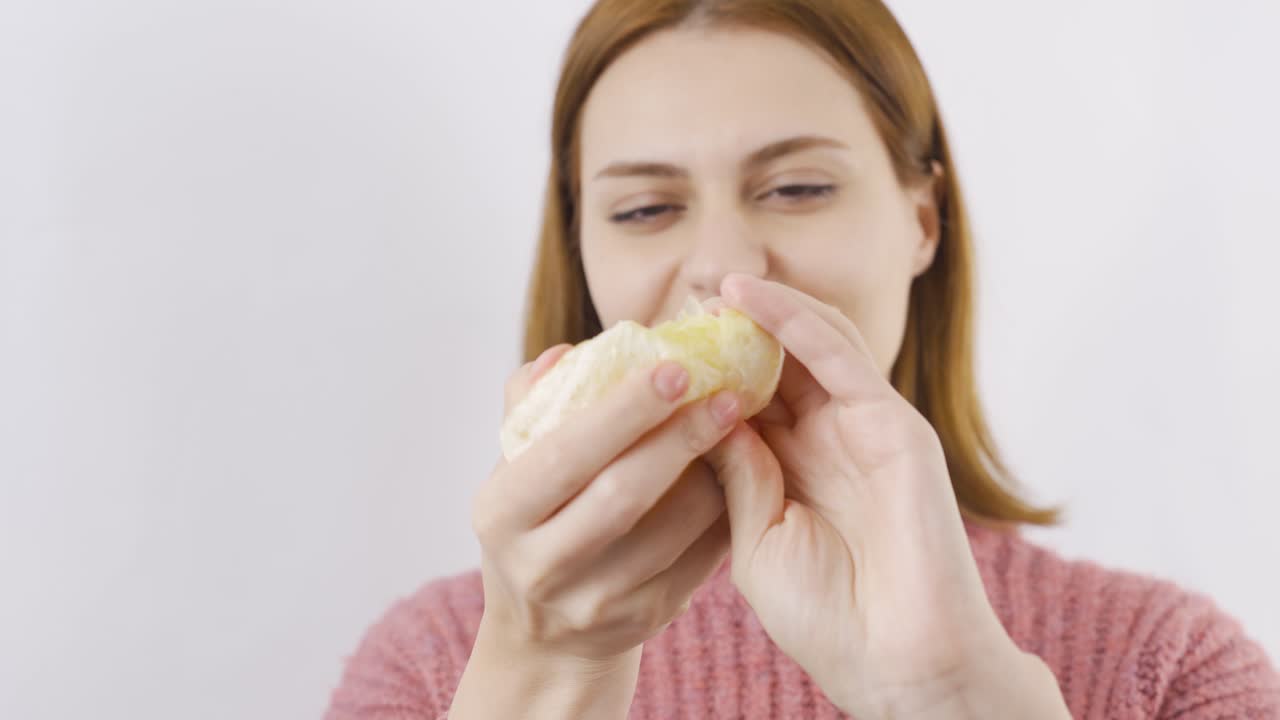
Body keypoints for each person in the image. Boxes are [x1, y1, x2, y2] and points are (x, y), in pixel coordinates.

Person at [325, 1, 1280, 717]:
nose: (724, 266)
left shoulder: (1166, 669)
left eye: (796, 187)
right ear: (582, 249)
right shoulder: (432, 669)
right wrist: (542, 675)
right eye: (645, 210)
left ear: (921, 220)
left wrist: (954, 696)